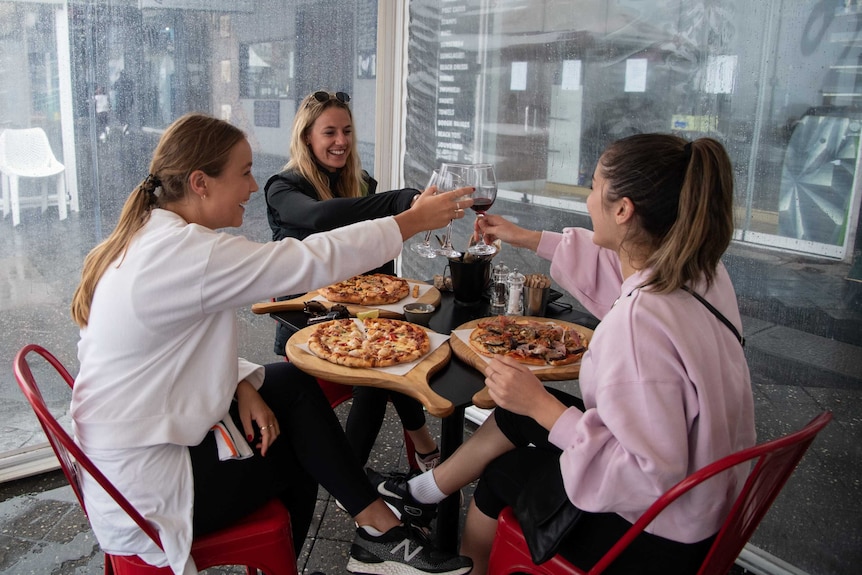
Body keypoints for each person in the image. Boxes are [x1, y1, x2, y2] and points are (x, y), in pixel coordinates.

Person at [68, 112, 474, 575]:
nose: (252, 184)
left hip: (120, 463)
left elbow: (157, 354)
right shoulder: (186, 254)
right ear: (200, 183)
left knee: (288, 382)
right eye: (243, 172)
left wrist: (240, 386)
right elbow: (307, 261)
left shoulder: (142, 240)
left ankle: (376, 532)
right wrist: (408, 222)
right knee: (295, 447)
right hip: (149, 494)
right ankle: (363, 536)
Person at [367, 134, 756, 574]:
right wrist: (525, 237)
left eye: (593, 187)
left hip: (657, 531)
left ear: (623, 210)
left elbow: (647, 477)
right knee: (517, 415)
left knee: (502, 475)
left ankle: (465, 565)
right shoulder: (702, 275)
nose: (588, 199)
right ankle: (420, 496)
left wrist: (542, 404)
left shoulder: (639, 325)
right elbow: (620, 268)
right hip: (710, 501)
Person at [264, 90, 441, 471]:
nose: (341, 141)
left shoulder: (360, 182)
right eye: (329, 132)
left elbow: (372, 260)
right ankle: (359, 480)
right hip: (307, 319)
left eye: (346, 131)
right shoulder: (283, 187)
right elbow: (320, 217)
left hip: (354, 314)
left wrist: (411, 201)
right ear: (307, 137)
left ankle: (420, 453)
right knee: (377, 377)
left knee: (393, 349)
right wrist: (399, 203)